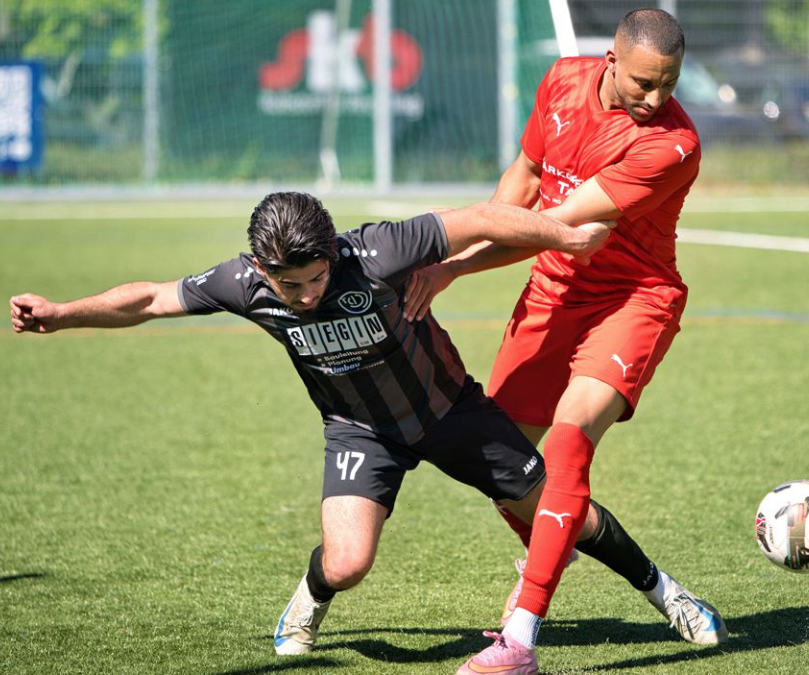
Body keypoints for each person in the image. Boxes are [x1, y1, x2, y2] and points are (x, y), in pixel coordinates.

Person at [8, 191, 622, 656]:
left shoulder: (379, 250)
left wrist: (566, 236)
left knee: (555, 507)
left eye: (316, 279)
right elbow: (150, 299)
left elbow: (482, 218)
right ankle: (311, 597)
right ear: (259, 267)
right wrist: (62, 314)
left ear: (333, 253)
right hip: (359, 430)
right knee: (348, 563)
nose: (303, 296)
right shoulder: (242, 282)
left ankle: (661, 590)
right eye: (288, 285)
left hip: (448, 409)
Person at [402, 10, 727, 674]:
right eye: (642, 82)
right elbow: (521, 184)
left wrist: (453, 263)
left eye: (668, 84)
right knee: (504, 468)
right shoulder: (558, 82)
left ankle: (519, 640)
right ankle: (658, 587)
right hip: (553, 290)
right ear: (611, 58)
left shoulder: (674, 143)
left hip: (633, 298)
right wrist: (453, 255)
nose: (655, 99)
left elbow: (554, 221)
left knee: (571, 438)